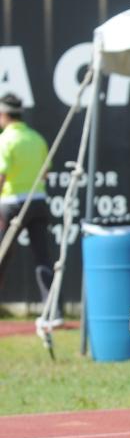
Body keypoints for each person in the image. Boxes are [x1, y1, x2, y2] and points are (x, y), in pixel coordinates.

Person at [0, 93, 62, 326]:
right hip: (37, 202)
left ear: (4, 115)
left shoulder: (6, 140)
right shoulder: (36, 138)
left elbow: (1, 175)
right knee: (43, 257)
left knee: (2, 256)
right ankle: (54, 311)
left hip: (11, 205)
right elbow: (45, 173)